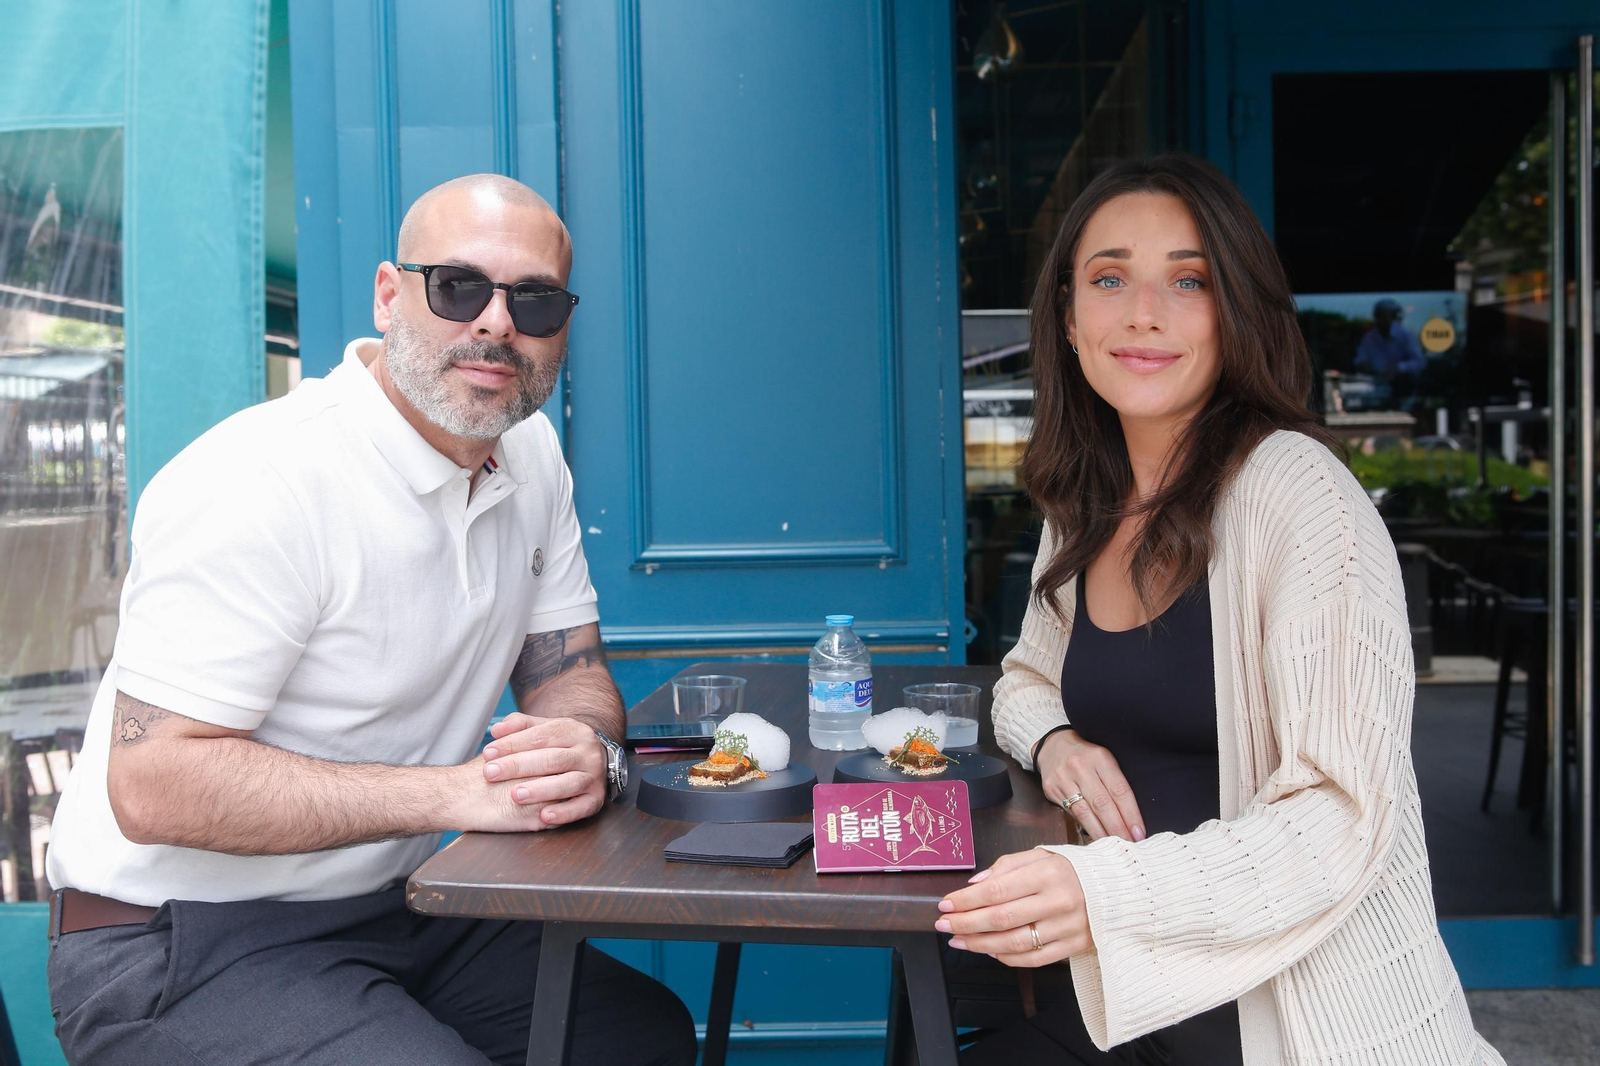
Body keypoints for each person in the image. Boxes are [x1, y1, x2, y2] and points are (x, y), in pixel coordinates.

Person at [44, 174, 698, 1066]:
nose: (497, 323)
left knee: (639, 1040)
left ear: (563, 325)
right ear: (391, 296)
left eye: (534, 300)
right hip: (172, 940)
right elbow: (154, 784)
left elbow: (564, 671)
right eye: (458, 286)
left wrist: (580, 748)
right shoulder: (261, 478)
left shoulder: (530, 450)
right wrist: (458, 793)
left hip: (402, 908)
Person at [938, 155, 1502, 1065]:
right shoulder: (1086, 503)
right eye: (1109, 277)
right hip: (1127, 995)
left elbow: (1341, 814)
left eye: (1189, 280)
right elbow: (1025, 678)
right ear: (1070, 322)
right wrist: (1057, 743)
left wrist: (1103, 895)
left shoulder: (1301, 496)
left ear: (1235, 312)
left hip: (1292, 1010)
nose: (1144, 312)